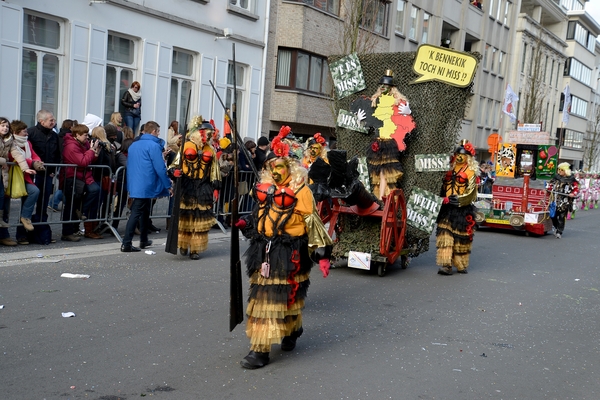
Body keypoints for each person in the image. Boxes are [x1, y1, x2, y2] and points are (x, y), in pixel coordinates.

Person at [236, 125, 333, 369]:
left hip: (290, 251)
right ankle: (260, 348)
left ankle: (289, 332)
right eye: (271, 167)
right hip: (263, 250)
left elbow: (313, 223)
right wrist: (244, 222)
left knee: (287, 295)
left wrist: (321, 255)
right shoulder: (265, 188)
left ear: (289, 167)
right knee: (263, 298)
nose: (274, 171)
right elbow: (258, 214)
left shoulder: (302, 191)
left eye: (279, 167)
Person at [170, 117, 220, 259]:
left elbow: (214, 170)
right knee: (186, 217)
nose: (208, 136)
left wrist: (216, 188)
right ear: (198, 132)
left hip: (204, 186)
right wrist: (174, 172)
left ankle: (195, 249)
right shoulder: (185, 146)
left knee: (199, 220)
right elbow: (174, 165)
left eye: (210, 134)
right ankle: (184, 244)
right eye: (206, 133)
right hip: (187, 185)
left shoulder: (210, 149)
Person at [120, 121, 172, 252]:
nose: (159, 134)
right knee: (137, 212)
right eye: (158, 131)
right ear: (154, 131)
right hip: (146, 182)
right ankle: (126, 243)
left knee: (143, 211)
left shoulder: (134, 145)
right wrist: (168, 184)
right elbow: (160, 168)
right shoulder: (154, 146)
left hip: (136, 181)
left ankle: (143, 239)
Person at [436, 139, 478, 275]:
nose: (459, 157)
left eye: (463, 155)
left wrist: (459, 200)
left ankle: (460, 264)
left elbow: (472, 192)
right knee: (444, 236)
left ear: (468, 157)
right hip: (446, 208)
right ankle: (445, 264)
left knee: (461, 239)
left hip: (462, 210)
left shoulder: (471, 172)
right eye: (457, 154)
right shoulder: (448, 168)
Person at [60, 124, 101, 242]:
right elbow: (83, 161)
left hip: (83, 177)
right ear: (77, 135)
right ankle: (67, 232)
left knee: (94, 190)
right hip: (72, 178)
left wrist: (95, 153)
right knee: (70, 205)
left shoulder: (84, 143)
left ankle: (80, 210)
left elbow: (88, 160)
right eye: (85, 135)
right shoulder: (71, 146)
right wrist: (91, 151)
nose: (87, 137)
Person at [27, 110, 61, 245]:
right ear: (42, 121)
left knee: (43, 204)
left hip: (47, 175)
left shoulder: (54, 136)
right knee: (28, 204)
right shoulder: (31, 133)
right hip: (32, 174)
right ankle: (23, 234)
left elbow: (57, 155)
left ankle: (42, 233)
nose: (53, 122)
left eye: (53, 120)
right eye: (51, 120)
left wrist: (53, 169)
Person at [8, 120, 42, 244]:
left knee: (34, 191)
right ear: (17, 132)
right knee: (5, 208)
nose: (27, 133)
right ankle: (4, 235)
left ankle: (25, 217)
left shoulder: (27, 143)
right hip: (12, 177)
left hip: (25, 177)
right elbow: (13, 158)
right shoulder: (10, 142)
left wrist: (38, 161)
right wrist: (32, 162)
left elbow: (34, 155)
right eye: (24, 131)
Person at [0, 117, 37, 230]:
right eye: (2, 125)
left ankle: (1, 219)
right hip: (6, 172)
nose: (5, 128)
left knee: (1, 196)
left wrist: (26, 168)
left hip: (3, 174)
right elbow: (8, 158)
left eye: (7, 126)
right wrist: (3, 161)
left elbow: (17, 154)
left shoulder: (9, 141)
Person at [546, 163, 579, 239]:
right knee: (553, 215)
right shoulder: (556, 177)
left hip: (565, 201)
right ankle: (556, 227)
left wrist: (573, 193)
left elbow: (576, 189)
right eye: (559, 169)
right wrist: (548, 189)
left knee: (561, 217)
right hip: (555, 200)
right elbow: (550, 185)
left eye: (561, 170)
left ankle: (559, 232)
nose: (559, 171)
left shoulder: (571, 179)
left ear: (566, 171)